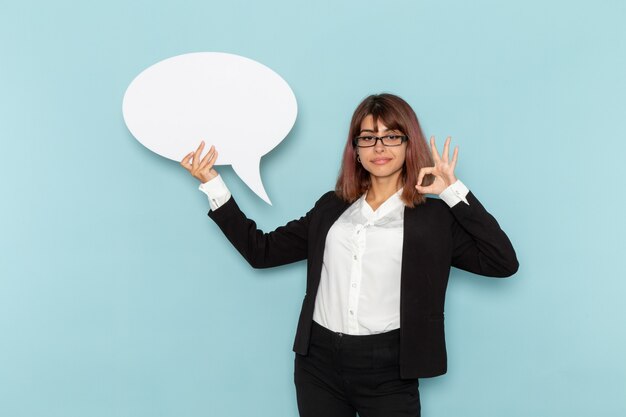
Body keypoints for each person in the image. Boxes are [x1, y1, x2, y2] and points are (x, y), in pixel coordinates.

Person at [181, 93, 518, 417]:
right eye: (368, 138)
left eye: (391, 136)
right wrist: (213, 184)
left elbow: (502, 262)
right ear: (356, 149)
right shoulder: (332, 207)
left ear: (408, 143)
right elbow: (262, 252)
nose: (379, 147)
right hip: (318, 364)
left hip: (389, 369)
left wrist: (452, 191)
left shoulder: (435, 218)